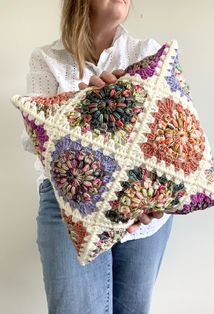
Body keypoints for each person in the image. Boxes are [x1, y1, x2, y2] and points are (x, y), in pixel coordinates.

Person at [21, 0, 174, 313]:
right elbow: (34, 139)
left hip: (139, 211)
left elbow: (166, 136)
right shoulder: (46, 59)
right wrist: (90, 107)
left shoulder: (149, 52)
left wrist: (152, 195)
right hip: (69, 201)